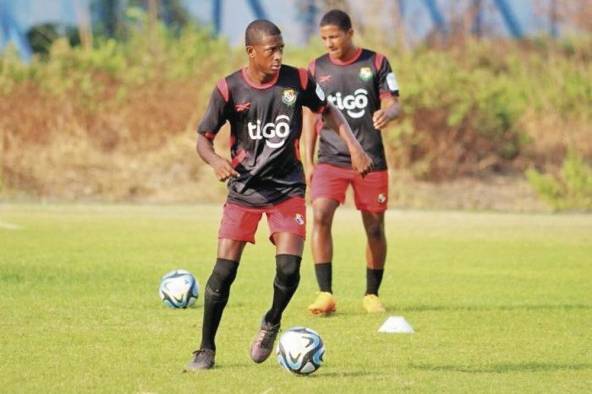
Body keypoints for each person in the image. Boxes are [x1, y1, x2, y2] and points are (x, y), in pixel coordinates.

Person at [185, 19, 372, 371]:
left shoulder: (298, 80)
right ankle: (205, 349)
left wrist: (355, 147)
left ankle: (272, 320)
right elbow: (202, 138)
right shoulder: (228, 88)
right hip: (244, 189)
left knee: (288, 269)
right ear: (251, 52)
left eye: (281, 48)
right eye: (271, 50)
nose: (278, 56)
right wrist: (214, 161)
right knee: (224, 272)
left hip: (287, 187)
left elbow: (327, 111)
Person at [304, 9, 401, 315]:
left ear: (349, 33)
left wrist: (388, 113)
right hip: (330, 158)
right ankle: (325, 293)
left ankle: (371, 294)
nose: (329, 43)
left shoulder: (375, 62)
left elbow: (394, 103)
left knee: (374, 227)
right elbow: (310, 116)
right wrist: (307, 161)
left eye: (334, 36)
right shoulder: (316, 68)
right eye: (324, 38)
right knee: (320, 214)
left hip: (370, 160)